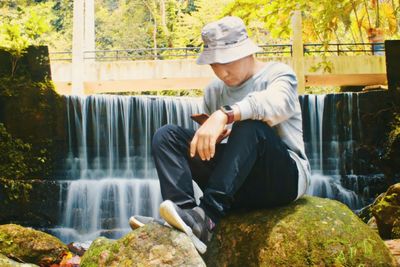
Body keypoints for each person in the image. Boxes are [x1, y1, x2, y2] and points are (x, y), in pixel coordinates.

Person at [129, 16, 311, 254]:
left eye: (227, 60)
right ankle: (185, 217)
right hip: (235, 185)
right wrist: (212, 141)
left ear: (247, 52)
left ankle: (208, 219)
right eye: (214, 63)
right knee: (167, 136)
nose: (222, 71)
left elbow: (279, 104)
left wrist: (226, 114)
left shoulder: (278, 74)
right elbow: (216, 152)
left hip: (281, 180)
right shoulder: (214, 91)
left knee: (251, 126)